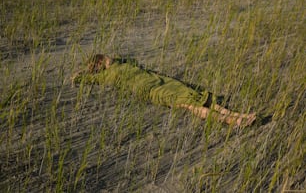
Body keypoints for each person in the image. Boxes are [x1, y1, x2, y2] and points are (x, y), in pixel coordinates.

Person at [72, 54, 256, 127]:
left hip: (160, 81)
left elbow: (130, 60)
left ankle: (239, 114)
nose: (109, 58)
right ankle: (232, 121)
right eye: (104, 59)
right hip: (152, 90)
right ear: (100, 64)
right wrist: (83, 72)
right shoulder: (107, 76)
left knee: (195, 95)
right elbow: (82, 78)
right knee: (188, 104)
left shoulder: (122, 63)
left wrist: (115, 59)